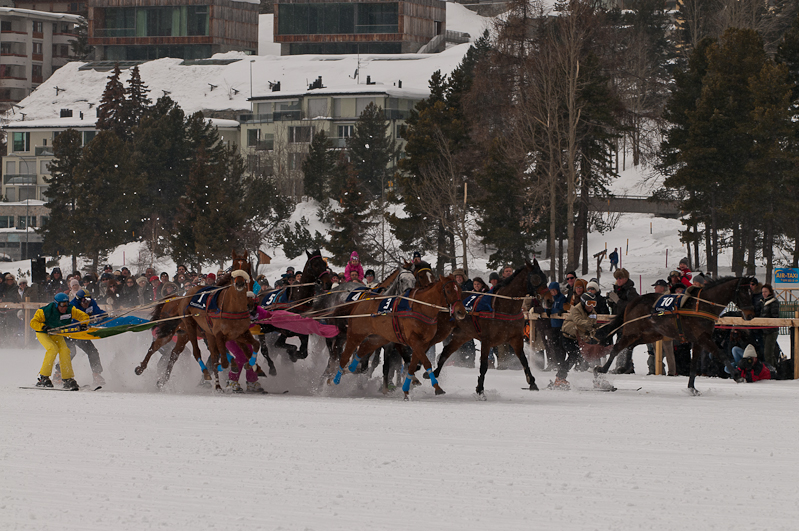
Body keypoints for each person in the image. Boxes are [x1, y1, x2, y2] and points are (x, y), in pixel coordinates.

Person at [31, 293, 91, 390]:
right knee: (52, 349)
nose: (64, 307)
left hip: (55, 333)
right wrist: (43, 326)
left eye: (66, 304)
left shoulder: (70, 309)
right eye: (62, 305)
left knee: (65, 351)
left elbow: (84, 316)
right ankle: (43, 377)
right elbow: (33, 322)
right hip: (43, 332)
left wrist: (84, 323)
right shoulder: (45, 311)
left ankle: (67, 378)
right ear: (56, 304)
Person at [54, 290, 107, 387]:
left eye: (88, 300)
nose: (87, 303)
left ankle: (96, 374)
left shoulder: (91, 303)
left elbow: (98, 312)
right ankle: (58, 373)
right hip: (68, 333)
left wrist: (104, 315)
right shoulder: (72, 306)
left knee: (92, 351)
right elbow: (69, 320)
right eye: (84, 300)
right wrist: (80, 324)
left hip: (80, 334)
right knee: (70, 352)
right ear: (78, 300)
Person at [557, 292, 599, 389]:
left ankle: (597, 380)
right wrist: (590, 324)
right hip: (567, 337)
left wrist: (592, 333)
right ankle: (559, 378)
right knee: (573, 356)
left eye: (594, 303)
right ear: (584, 303)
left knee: (589, 356)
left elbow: (592, 327)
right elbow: (578, 321)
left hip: (579, 338)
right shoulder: (576, 309)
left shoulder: (593, 313)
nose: (591, 306)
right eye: (589, 303)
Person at [607, 268, 638, 374]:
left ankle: (623, 366)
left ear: (625, 278)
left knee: (624, 343)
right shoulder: (618, 290)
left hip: (628, 322)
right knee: (621, 342)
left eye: (620, 278)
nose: (618, 280)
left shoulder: (631, 291)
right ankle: (623, 366)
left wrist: (618, 301)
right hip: (619, 321)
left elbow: (631, 306)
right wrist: (611, 302)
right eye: (617, 278)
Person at [646, 279, 676, 376]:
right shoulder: (659, 298)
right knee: (659, 351)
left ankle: (671, 371)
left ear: (662, 288)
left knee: (668, 351)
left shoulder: (667, 298)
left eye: (656, 287)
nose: (654, 288)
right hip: (657, 328)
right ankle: (660, 370)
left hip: (666, 328)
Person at [546, 282, 568, 388]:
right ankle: (559, 366)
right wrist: (548, 310)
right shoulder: (552, 299)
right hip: (553, 326)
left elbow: (563, 308)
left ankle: (561, 370)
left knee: (561, 348)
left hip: (561, 327)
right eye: (551, 291)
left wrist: (557, 310)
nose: (553, 292)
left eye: (554, 290)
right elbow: (549, 310)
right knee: (554, 347)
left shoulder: (561, 298)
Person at [758, 284, 780, 367]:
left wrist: (766, 321)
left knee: (768, 352)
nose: (764, 293)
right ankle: (774, 367)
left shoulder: (773, 302)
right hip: (764, 330)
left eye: (766, 291)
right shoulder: (762, 302)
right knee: (768, 352)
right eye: (763, 292)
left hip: (771, 330)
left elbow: (775, 316)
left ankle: (771, 370)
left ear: (770, 292)